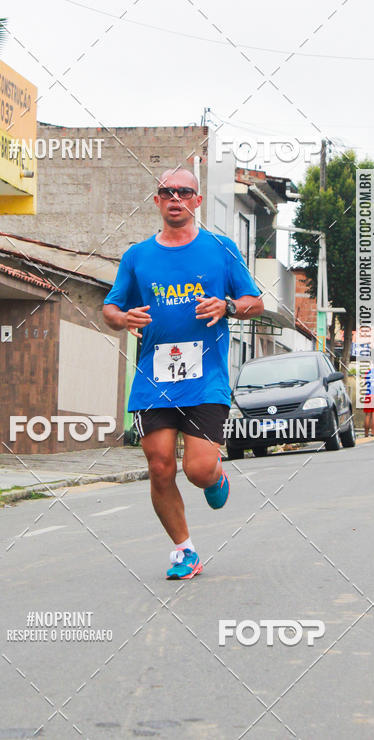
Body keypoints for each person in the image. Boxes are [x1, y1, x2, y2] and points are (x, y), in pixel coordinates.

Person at [103, 168, 263, 580]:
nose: (175, 197)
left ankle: (215, 476)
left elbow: (255, 302)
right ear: (157, 201)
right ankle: (184, 550)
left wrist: (227, 306)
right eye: (166, 192)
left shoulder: (220, 249)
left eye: (183, 192)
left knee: (197, 468)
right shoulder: (137, 256)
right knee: (159, 467)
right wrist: (123, 318)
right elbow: (110, 308)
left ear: (197, 200)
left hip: (205, 379)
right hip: (153, 380)